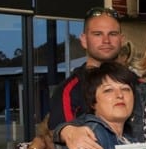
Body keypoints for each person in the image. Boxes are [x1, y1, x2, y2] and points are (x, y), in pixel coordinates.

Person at [48, 7, 124, 137]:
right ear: (84, 40)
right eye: (97, 34)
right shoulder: (69, 90)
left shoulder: (137, 83)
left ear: (121, 40)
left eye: (112, 34)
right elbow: (60, 137)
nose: (106, 41)